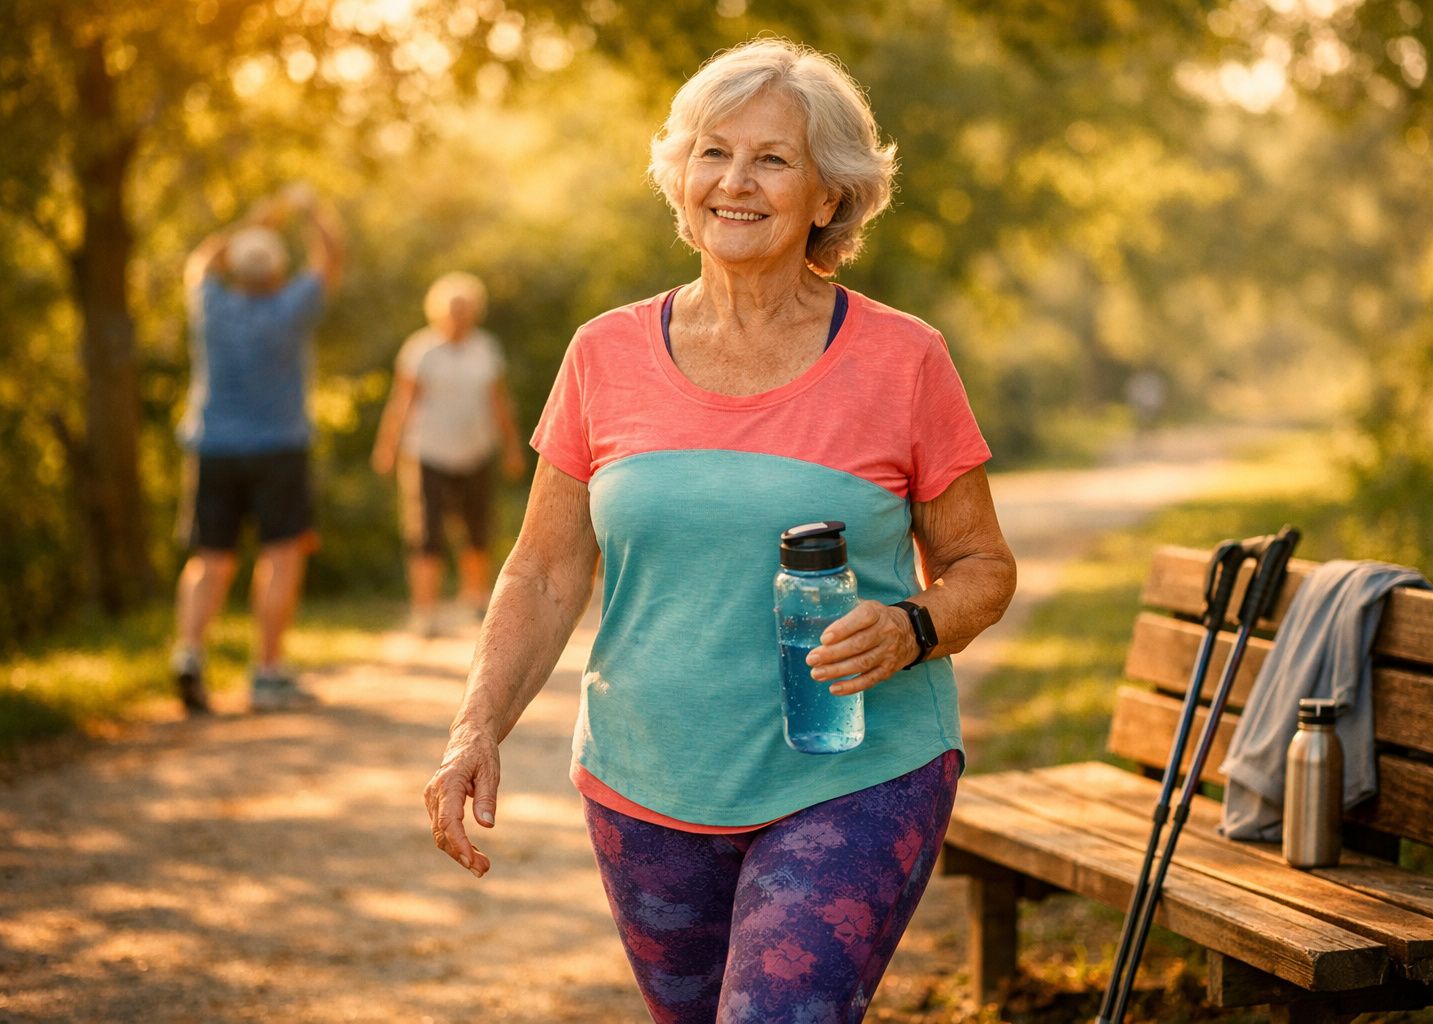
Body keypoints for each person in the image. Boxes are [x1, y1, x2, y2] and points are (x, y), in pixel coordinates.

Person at [422, 39, 1015, 1022]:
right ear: (679, 175)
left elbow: (981, 565)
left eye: (772, 159)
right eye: (713, 152)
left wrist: (913, 626)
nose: (735, 181)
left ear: (829, 196)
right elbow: (544, 572)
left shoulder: (905, 360)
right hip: (646, 783)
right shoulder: (602, 354)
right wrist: (474, 726)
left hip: (856, 776)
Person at [169, 183, 344, 714]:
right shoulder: (290, 308)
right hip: (279, 449)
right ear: (277, 272)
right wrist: (309, 209)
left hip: (213, 447)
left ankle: (188, 653)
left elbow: (200, 262)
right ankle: (266, 673)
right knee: (281, 557)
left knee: (210, 559)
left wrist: (252, 223)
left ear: (238, 271)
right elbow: (330, 259)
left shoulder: (211, 305)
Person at [371, 272, 528, 636]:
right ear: (438, 311)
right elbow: (401, 402)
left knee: (478, 527)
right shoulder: (420, 349)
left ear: (475, 312)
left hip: (476, 450)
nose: (458, 316)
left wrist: (512, 448)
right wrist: (387, 446)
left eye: (465, 309)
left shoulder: (486, 348)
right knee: (426, 531)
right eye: (453, 309)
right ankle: (425, 611)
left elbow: (500, 402)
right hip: (428, 452)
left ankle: (475, 600)